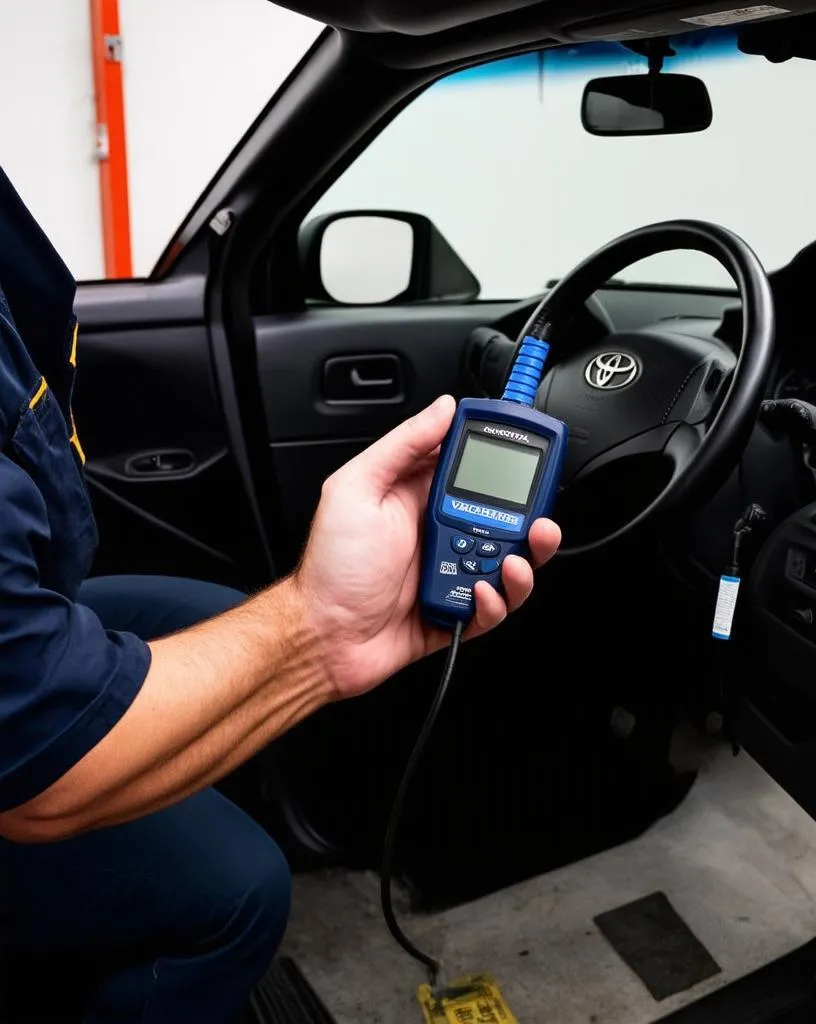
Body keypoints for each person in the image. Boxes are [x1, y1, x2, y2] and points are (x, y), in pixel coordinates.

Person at [0, 165, 561, 1023]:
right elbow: (38, 755)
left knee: (217, 612)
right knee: (246, 893)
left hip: (32, 606)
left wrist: (310, 630)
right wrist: (318, 632)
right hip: (24, 740)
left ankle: (157, 827)